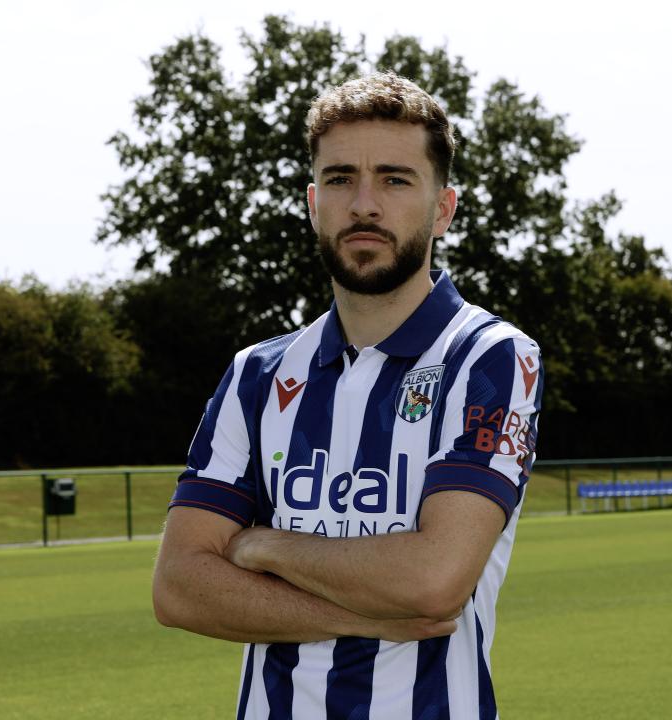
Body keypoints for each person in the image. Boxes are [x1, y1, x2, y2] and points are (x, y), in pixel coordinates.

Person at [152, 71, 543, 720]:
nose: (364, 204)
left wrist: (264, 546)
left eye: (395, 180)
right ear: (314, 203)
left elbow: (433, 583)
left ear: (443, 209)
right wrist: (363, 614)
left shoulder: (490, 357)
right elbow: (179, 587)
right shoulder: (257, 373)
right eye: (340, 179)